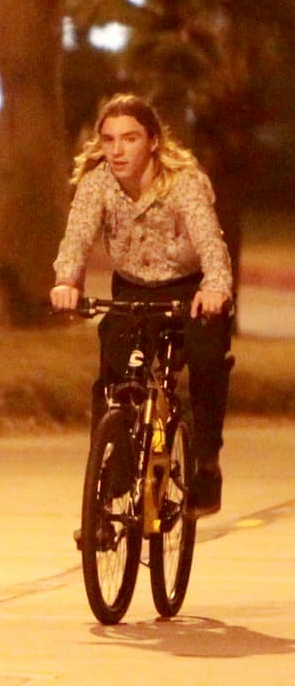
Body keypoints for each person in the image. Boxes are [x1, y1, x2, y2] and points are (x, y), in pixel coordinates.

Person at [50, 92, 233, 519]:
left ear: (153, 141)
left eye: (129, 138)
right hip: (133, 288)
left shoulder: (183, 183)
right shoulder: (97, 183)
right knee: (113, 374)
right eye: (109, 139)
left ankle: (206, 464)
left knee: (207, 362)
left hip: (190, 290)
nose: (117, 150)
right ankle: (110, 476)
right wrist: (66, 281)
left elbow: (211, 242)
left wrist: (215, 288)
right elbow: (76, 238)